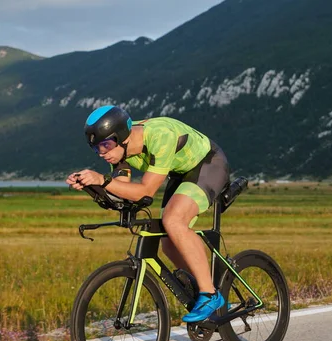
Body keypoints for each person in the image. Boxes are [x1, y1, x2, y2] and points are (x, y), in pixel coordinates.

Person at [66, 105, 230, 322]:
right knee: (168, 242)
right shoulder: (119, 151)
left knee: (174, 221)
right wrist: (90, 186)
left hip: (208, 164)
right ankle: (199, 286)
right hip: (180, 172)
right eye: (97, 149)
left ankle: (210, 293)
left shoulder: (159, 137)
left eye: (105, 145)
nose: (102, 153)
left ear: (121, 137)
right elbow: (121, 192)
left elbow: (145, 191)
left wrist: (102, 180)